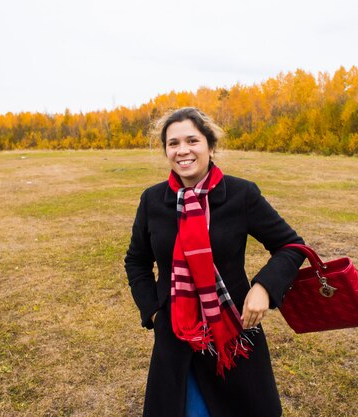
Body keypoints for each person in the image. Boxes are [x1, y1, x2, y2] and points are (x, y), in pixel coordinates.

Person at [125, 107, 306, 417]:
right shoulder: (153, 200)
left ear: (210, 145)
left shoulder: (240, 194)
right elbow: (136, 261)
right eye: (173, 143)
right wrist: (154, 311)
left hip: (234, 336)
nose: (183, 150)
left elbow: (291, 246)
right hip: (176, 338)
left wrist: (264, 288)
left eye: (192, 140)